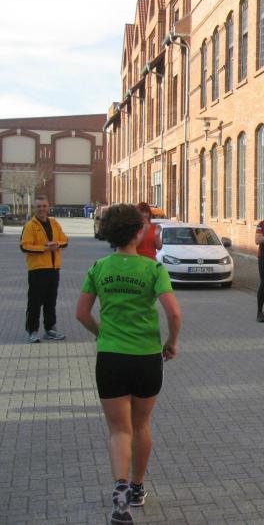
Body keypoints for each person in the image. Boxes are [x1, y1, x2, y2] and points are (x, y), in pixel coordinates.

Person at [75, 204, 181, 525]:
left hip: (111, 358)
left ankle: (120, 496)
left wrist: (101, 333)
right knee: (141, 425)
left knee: (119, 430)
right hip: (146, 358)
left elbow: (81, 314)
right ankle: (137, 487)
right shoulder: (153, 269)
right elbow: (174, 312)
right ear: (139, 232)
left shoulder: (99, 268)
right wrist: (171, 342)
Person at [20, 196, 68, 343]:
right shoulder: (30, 226)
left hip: (54, 269)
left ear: (48, 207)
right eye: (39, 206)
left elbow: (65, 240)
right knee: (35, 302)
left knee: (50, 301)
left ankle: (50, 329)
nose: (42, 209)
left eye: (44, 206)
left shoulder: (54, 223)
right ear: (35, 208)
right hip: (37, 270)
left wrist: (57, 244)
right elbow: (24, 246)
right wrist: (44, 249)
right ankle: (32, 331)